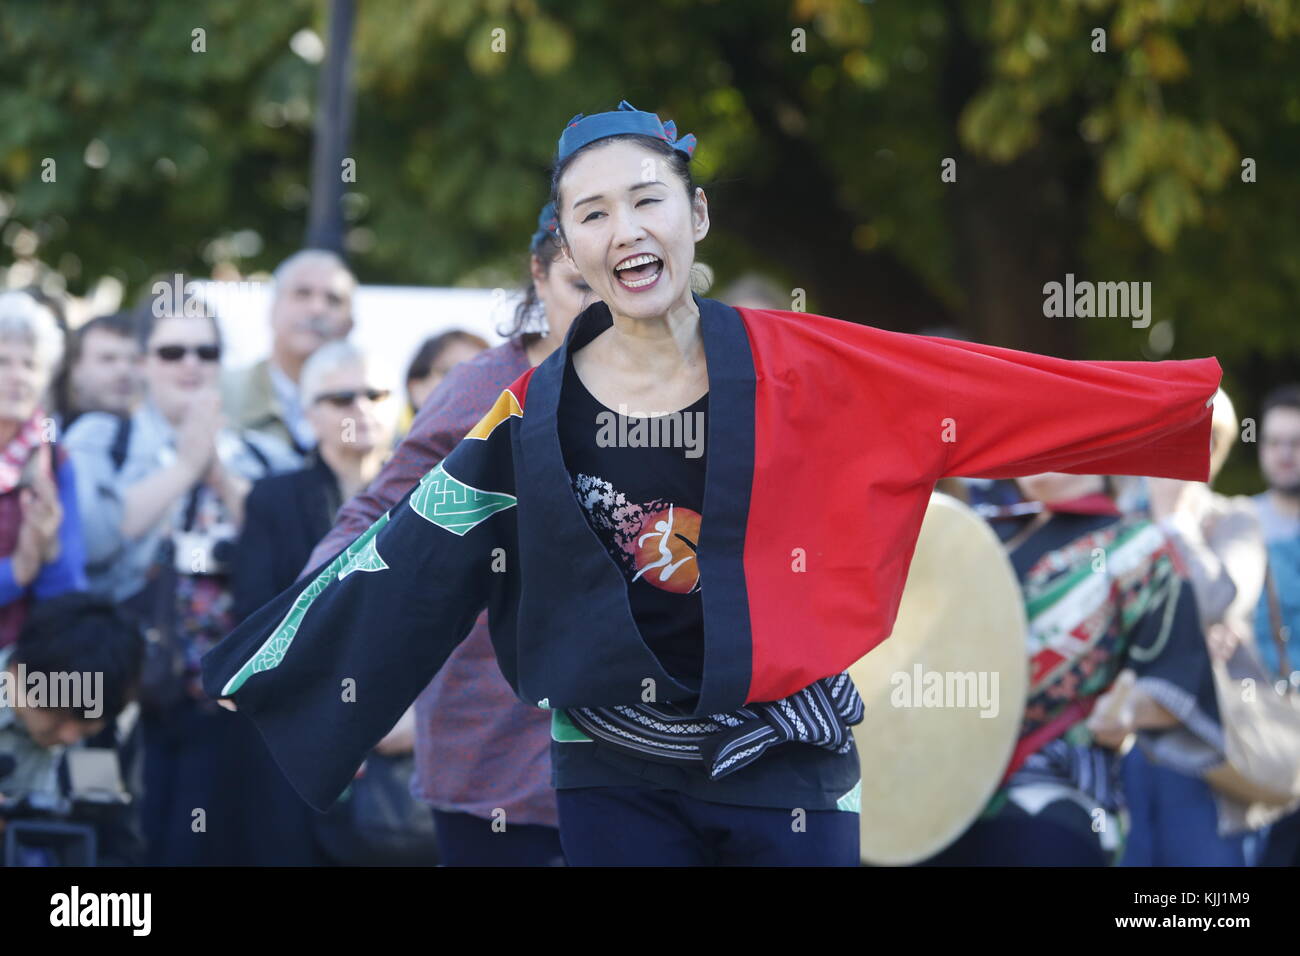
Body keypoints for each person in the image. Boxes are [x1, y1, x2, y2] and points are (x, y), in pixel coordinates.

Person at [204, 100, 1222, 867]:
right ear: (568, 247)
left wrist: (1170, 415)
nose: (623, 228)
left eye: (646, 199)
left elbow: (973, 392)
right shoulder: (525, 409)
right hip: (612, 761)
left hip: (785, 746)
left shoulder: (807, 365)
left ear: (693, 214)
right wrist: (280, 665)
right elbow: (413, 550)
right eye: (590, 213)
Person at [302, 202, 587, 867]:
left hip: (634, 746)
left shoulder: (667, 386)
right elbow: (381, 508)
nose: (603, 304)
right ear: (538, 276)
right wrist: (303, 616)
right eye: (581, 285)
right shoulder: (487, 383)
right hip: (492, 742)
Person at [64, 304, 295, 865]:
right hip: (110, 698)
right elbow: (95, 542)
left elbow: (293, 560)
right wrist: (184, 468)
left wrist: (217, 470)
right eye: (172, 351)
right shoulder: (101, 437)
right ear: (143, 362)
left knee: (202, 849)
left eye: (206, 352)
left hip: (221, 706)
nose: (190, 364)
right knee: (108, 839)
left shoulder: (264, 452)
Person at [0, 593, 146, 856]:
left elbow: (113, 841)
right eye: (57, 716)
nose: (69, 737)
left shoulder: (102, 739)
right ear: (17, 674)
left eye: (85, 726)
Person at [0, 291, 86, 650]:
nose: (19, 376)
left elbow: (68, 597)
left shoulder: (55, 460)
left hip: (22, 675)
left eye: (30, 364)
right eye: (3, 361)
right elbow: (21, 572)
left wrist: (47, 545)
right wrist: (19, 568)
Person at [222, 250, 357, 460]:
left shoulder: (372, 407)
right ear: (273, 310)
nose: (317, 308)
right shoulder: (222, 395)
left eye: (333, 299)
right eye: (302, 294)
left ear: (350, 324)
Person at [1249, 383, 1300, 866]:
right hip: (1262, 727)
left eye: (1297, 443)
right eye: (1273, 442)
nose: (1284, 455)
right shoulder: (1236, 523)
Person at [56, 312, 142, 431]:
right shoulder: (45, 436)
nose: (124, 371)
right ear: (75, 367)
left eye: (134, 360)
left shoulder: (165, 442)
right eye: (108, 359)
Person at [399, 331, 490, 438]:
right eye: (454, 372)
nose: (471, 384)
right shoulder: (399, 452)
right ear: (417, 389)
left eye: (482, 374)